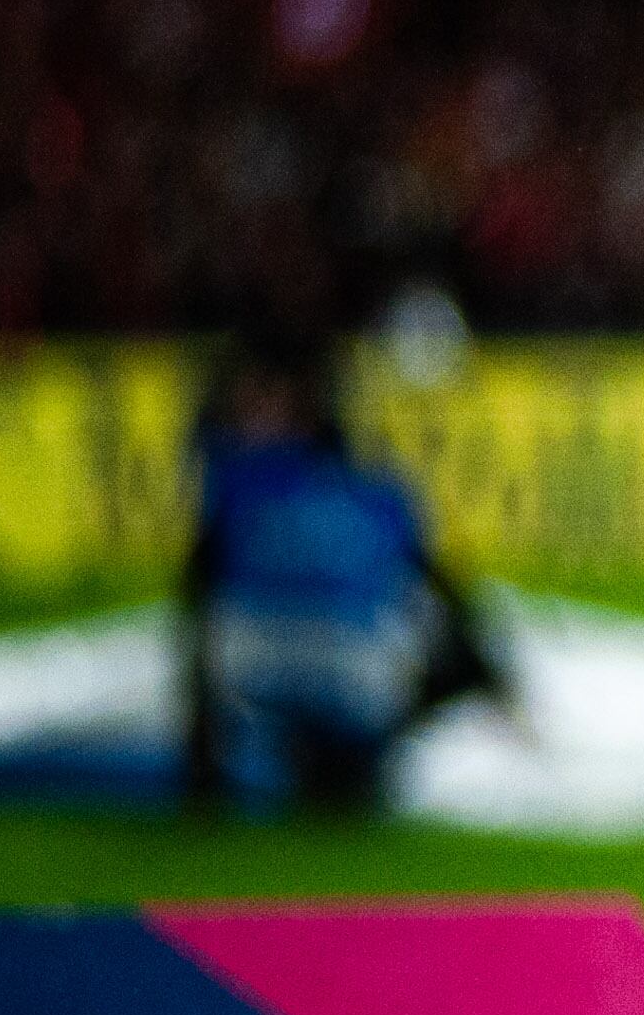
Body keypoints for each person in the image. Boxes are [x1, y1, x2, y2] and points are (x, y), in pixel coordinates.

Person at [178, 330, 512, 814]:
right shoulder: (380, 489)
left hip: (258, 683)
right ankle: (361, 755)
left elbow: (197, 602)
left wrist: (200, 744)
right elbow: (445, 595)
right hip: (360, 692)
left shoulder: (234, 481)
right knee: (413, 631)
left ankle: (292, 755)